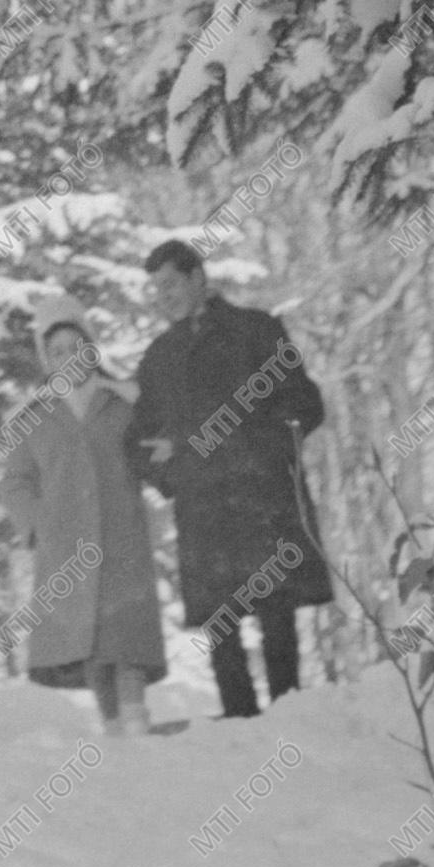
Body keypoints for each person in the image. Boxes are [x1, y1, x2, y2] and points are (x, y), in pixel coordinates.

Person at [125, 238, 333, 718]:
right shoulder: (159, 358)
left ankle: (292, 726)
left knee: (277, 619)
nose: (165, 296)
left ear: (199, 277)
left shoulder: (256, 331)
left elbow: (305, 405)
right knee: (222, 628)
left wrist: (252, 446)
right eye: (156, 289)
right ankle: (239, 735)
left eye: (172, 283)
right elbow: (138, 441)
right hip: (204, 512)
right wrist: (171, 468)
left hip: (263, 501)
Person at [0, 307, 167, 734]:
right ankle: (111, 724)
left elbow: (153, 455)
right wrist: (39, 527)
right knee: (89, 644)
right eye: (56, 352)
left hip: (121, 538)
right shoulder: (32, 419)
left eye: (75, 348)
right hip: (66, 548)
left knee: (124, 637)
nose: (67, 358)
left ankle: (136, 720)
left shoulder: (124, 405)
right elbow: (14, 482)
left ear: (91, 353)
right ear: (47, 362)